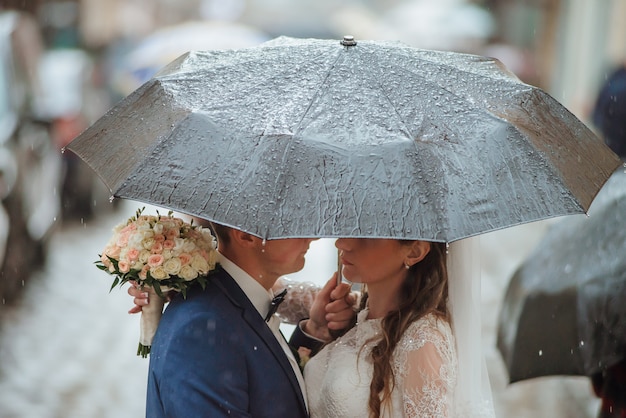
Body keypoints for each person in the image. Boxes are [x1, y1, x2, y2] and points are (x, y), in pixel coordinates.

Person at [132, 235, 495, 417]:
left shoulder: (424, 342)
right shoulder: (356, 315)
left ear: (414, 252)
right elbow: (254, 295)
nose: (341, 242)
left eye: (366, 235)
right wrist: (172, 275)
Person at [136, 221, 356, 418]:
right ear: (246, 235)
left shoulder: (237, 299)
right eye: (292, 222)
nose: (312, 237)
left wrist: (315, 329)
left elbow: (267, 381)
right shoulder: (203, 328)